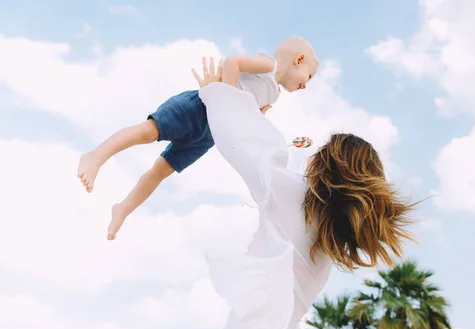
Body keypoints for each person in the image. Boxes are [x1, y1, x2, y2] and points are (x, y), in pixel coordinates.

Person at [194, 60, 414, 329]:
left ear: (326, 164)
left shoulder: (292, 195)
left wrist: (217, 95)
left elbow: (241, 144)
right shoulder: (332, 240)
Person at [76, 36, 320, 240]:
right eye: (308, 77)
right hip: (199, 107)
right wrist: (225, 98)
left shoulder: (273, 95)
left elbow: (244, 116)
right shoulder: (269, 67)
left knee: (161, 170)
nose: (306, 85)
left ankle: (123, 208)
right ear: (299, 60)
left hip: (209, 134)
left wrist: (255, 115)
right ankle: (95, 156)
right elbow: (231, 62)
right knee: (148, 132)